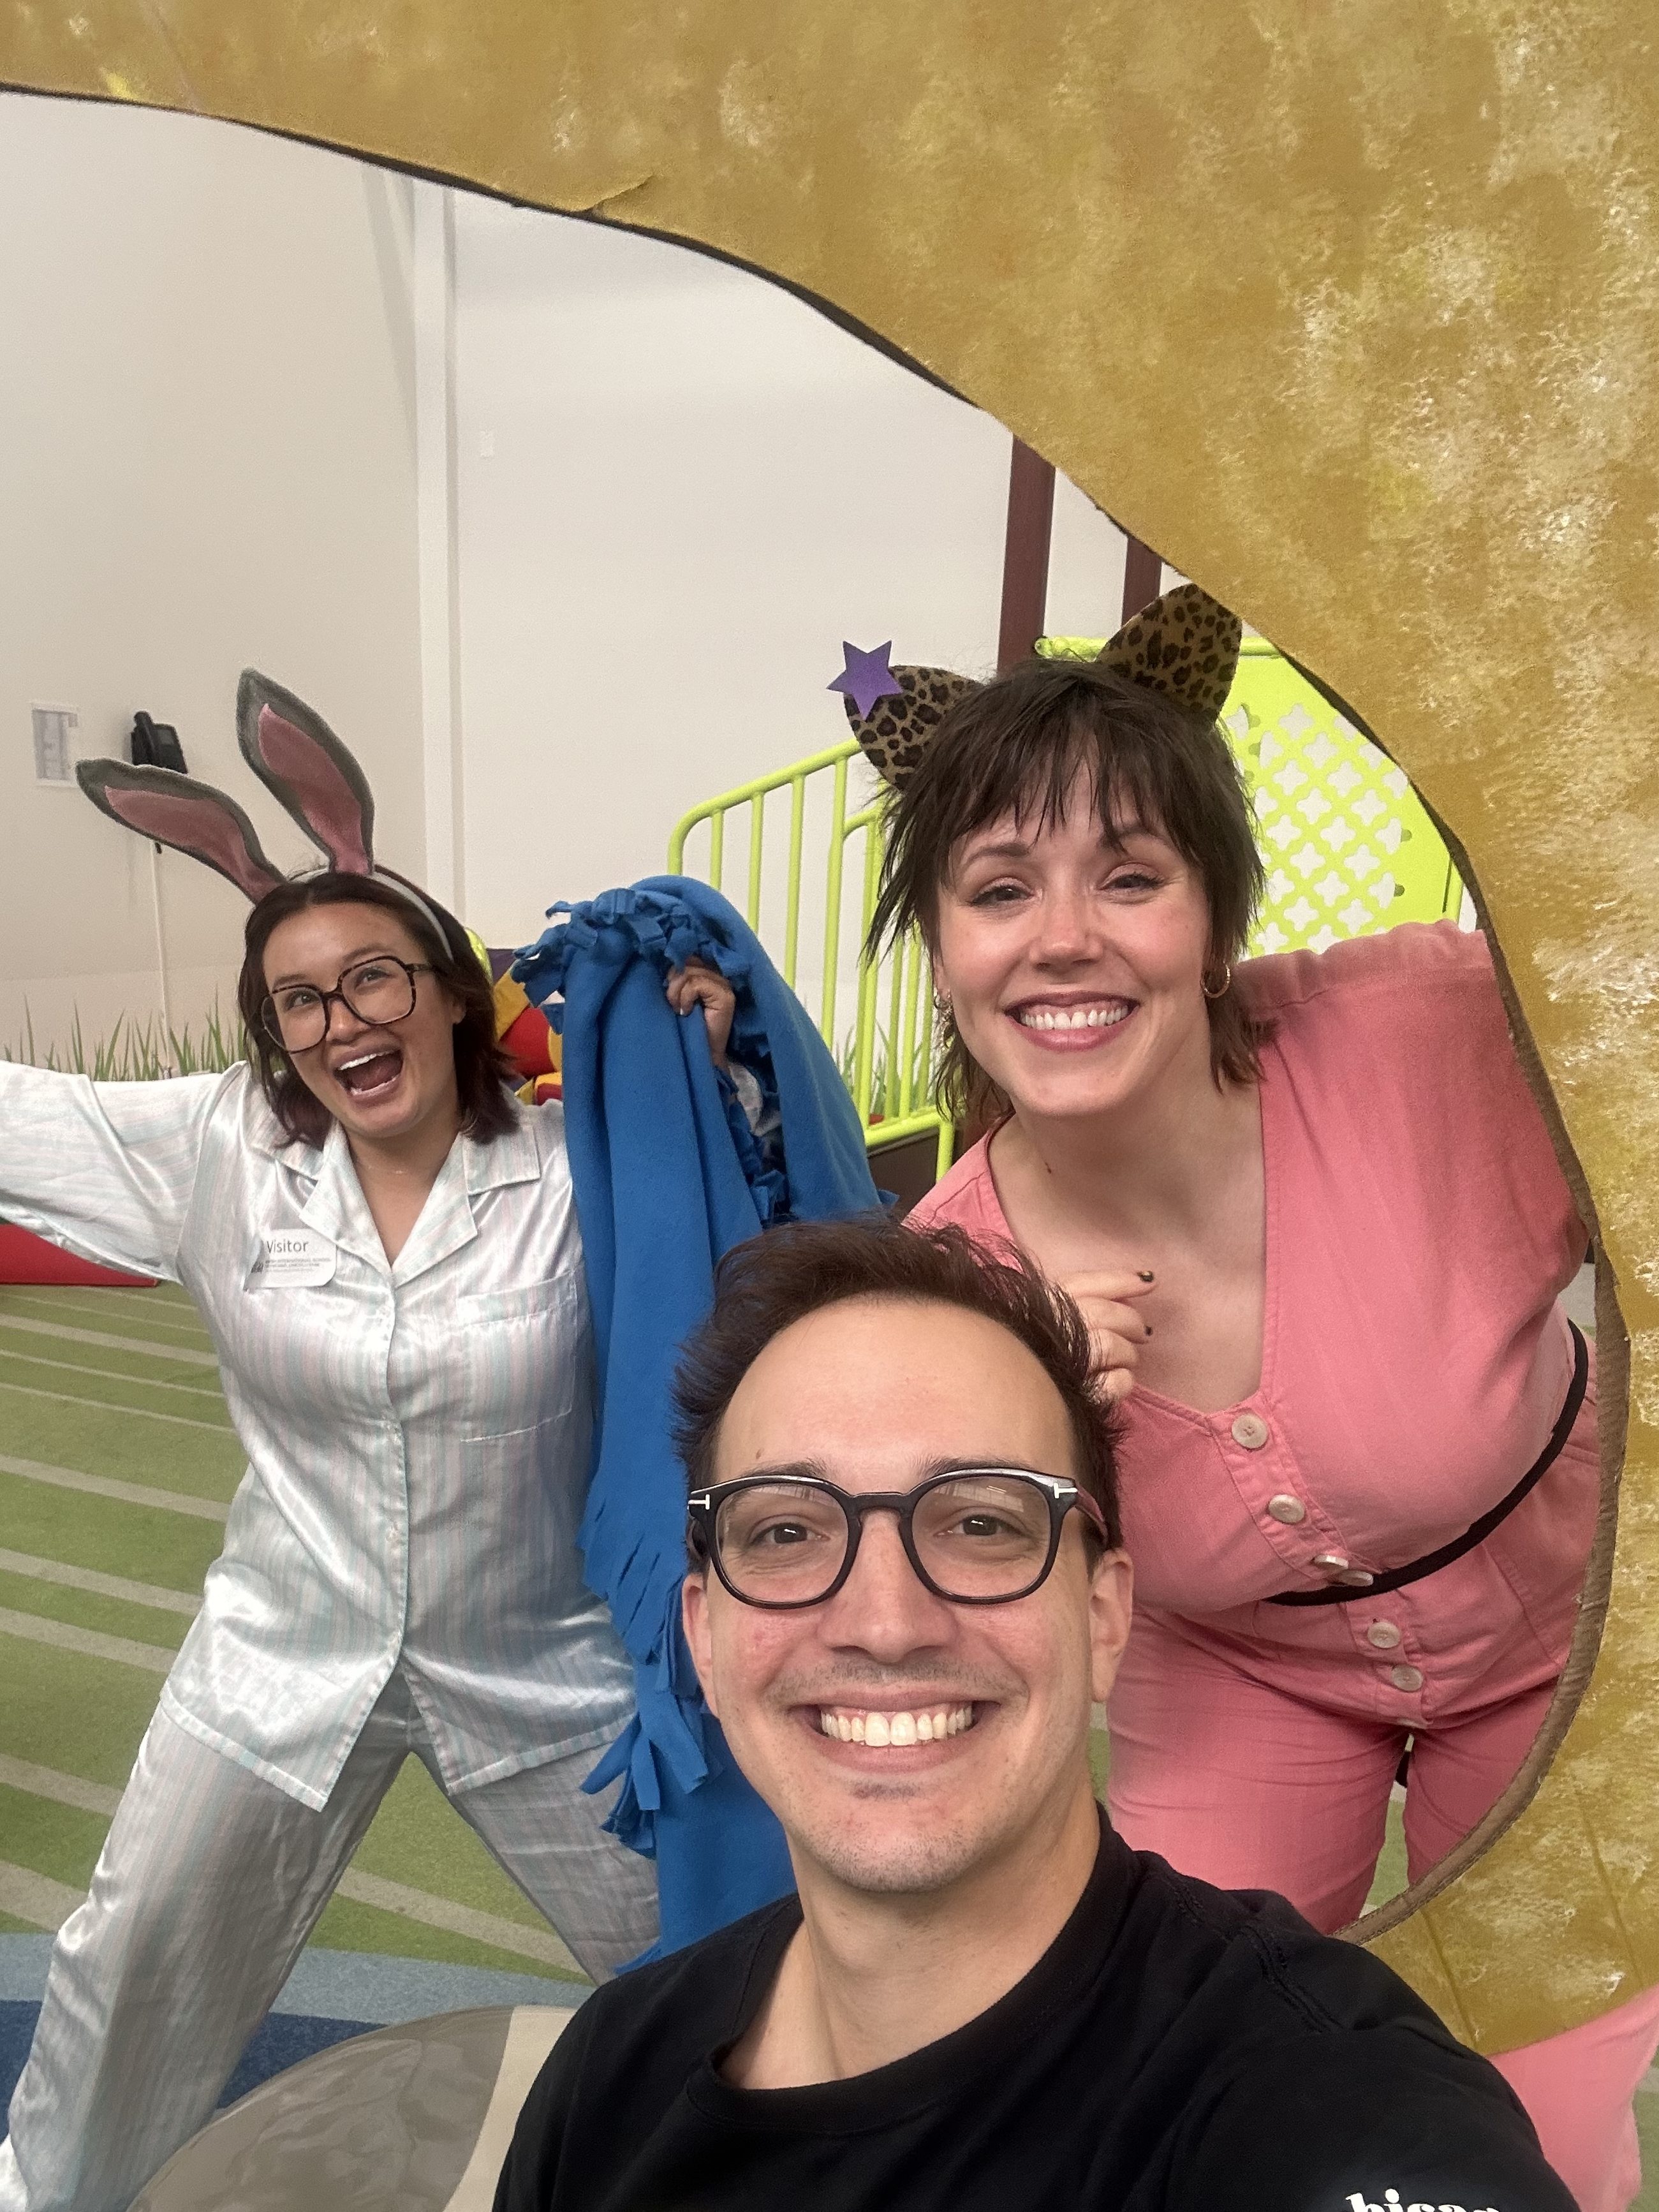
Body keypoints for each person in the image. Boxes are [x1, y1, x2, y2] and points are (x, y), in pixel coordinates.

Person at [845, 584, 1659, 2212]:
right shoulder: (950, 1277)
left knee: (1543, 2131)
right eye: (997, 890)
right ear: (941, 953)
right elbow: (927, 1610)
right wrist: (1020, 1433)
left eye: (1128, 877)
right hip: (1237, 1667)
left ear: (1214, 922)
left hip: (1564, 1642)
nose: (1061, 939)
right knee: (1170, 2070)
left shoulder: (1433, 1031)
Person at [0, 674, 753, 2212]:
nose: (343, 1020)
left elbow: (751, 1186)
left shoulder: (572, 1169)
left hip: (543, 1673)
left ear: (453, 988)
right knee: (129, 1964)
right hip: (278, 1660)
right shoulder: (218, 1149)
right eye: (301, 1000)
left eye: (374, 978)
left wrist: (710, 1047)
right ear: (275, 1035)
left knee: (725, 1974)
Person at [494, 1216, 1575, 2212]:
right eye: (785, 1532)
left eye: (979, 1524)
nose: (884, 1622)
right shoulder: (612, 2069)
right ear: (704, 1635)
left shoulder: (1320, 2090)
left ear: (1102, 1619)